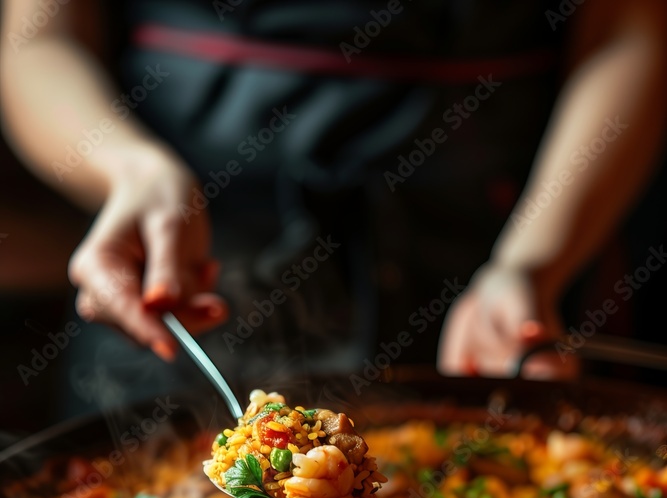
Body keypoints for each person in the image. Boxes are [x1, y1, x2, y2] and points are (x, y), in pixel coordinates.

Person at [1, 0, 666, 395]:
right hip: (193, 250)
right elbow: (39, 38)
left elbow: (626, 30)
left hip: (495, 230)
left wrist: (530, 263)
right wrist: (129, 172)